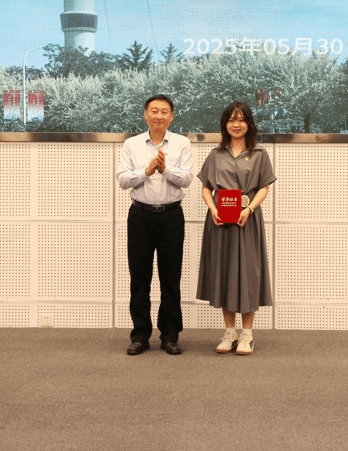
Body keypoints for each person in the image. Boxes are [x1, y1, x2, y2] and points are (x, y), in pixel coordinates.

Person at [197, 101, 276, 355]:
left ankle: (247, 335)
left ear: (249, 124)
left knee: (248, 274)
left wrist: (249, 209)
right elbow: (206, 187)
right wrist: (212, 208)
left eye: (241, 119)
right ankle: (230, 333)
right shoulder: (215, 154)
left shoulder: (260, 154)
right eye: (231, 120)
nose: (236, 124)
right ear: (225, 124)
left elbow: (264, 187)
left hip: (246, 220)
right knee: (225, 273)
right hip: (220, 222)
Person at [116, 94, 193, 355]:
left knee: (171, 279)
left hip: (172, 217)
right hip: (140, 216)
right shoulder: (132, 144)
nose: (159, 115)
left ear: (171, 117)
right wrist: (146, 172)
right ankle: (140, 335)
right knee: (139, 278)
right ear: (145, 114)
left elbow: (187, 179)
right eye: (154, 111)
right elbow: (122, 180)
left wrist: (165, 170)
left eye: (164, 111)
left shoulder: (182, 143)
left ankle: (170, 336)